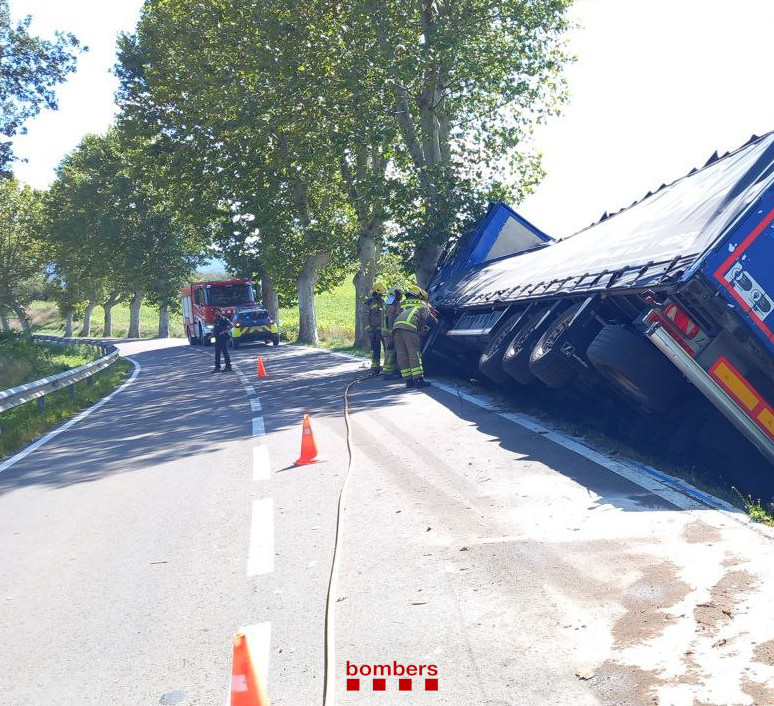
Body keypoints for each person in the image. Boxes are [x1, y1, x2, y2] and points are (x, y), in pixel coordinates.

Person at [392, 284, 437, 388]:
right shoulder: (422, 304)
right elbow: (429, 319)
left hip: (396, 328)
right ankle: (418, 380)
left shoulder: (402, 303)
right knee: (414, 354)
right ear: (420, 296)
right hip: (409, 328)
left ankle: (409, 381)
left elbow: (396, 315)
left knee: (402, 354)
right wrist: (436, 323)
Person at [381, 287, 403, 380]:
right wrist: (392, 331)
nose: (400, 296)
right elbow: (390, 318)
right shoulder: (392, 304)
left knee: (393, 350)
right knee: (390, 351)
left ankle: (392, 370)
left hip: (387, 331)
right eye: (398, 294)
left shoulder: (389, 302)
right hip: (389, 332)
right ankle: (387, 373)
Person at [365, 282, 386, 376]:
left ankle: (387, 368)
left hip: (384, 330)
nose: (381, 296)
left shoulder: (383, 302)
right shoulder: (368, 303)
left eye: (382, 295)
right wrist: (369, 331)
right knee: (376, 350)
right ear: (375, 292)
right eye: (380, 294)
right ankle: (375, 369)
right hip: (374, 331)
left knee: (388, 349)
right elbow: (365, 319)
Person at [211, 308, 234, 373]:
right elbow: (215, 329)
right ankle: (217, 368)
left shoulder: (224, 319)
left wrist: (224, 331)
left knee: (225, 353)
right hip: (217, 339)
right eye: (215, 312)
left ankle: (228, 367)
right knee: (217, 354)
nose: (216, 313)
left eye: (217, 311)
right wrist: (211, 335)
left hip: (223, 338)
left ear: (220, 312)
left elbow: (231, 325)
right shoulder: (215, 320)